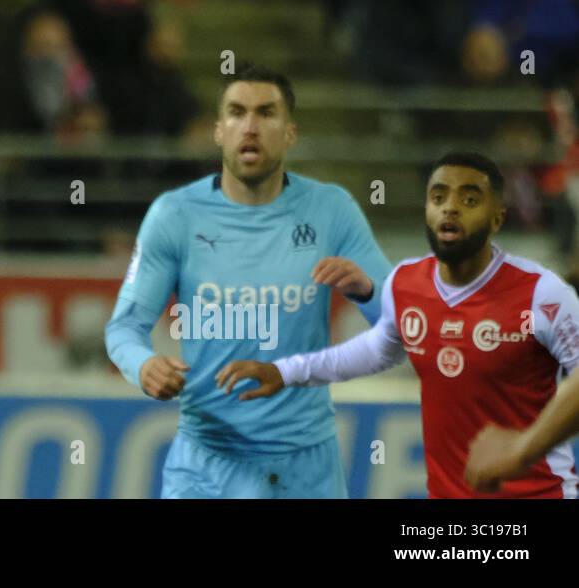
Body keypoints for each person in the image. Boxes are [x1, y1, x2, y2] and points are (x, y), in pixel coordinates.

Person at [104, 64, 391, 498]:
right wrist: (143, 365)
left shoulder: (332, 210)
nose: (251, 126)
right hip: (207, 463)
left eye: (266, 113)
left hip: (304, 467)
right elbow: (124, 327)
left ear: (290, 132)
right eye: (237, 112)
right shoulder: (175, 215)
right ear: (219, 131)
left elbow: (404, 325)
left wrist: (367, 291)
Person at [221, 152, 579, 499]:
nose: (450, 207)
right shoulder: (406, 282)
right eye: (438, 197)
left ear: (497, 218)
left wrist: (521, 449)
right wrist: (285, 371)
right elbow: (378, 350)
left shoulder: (541, 293)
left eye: (470, 199)